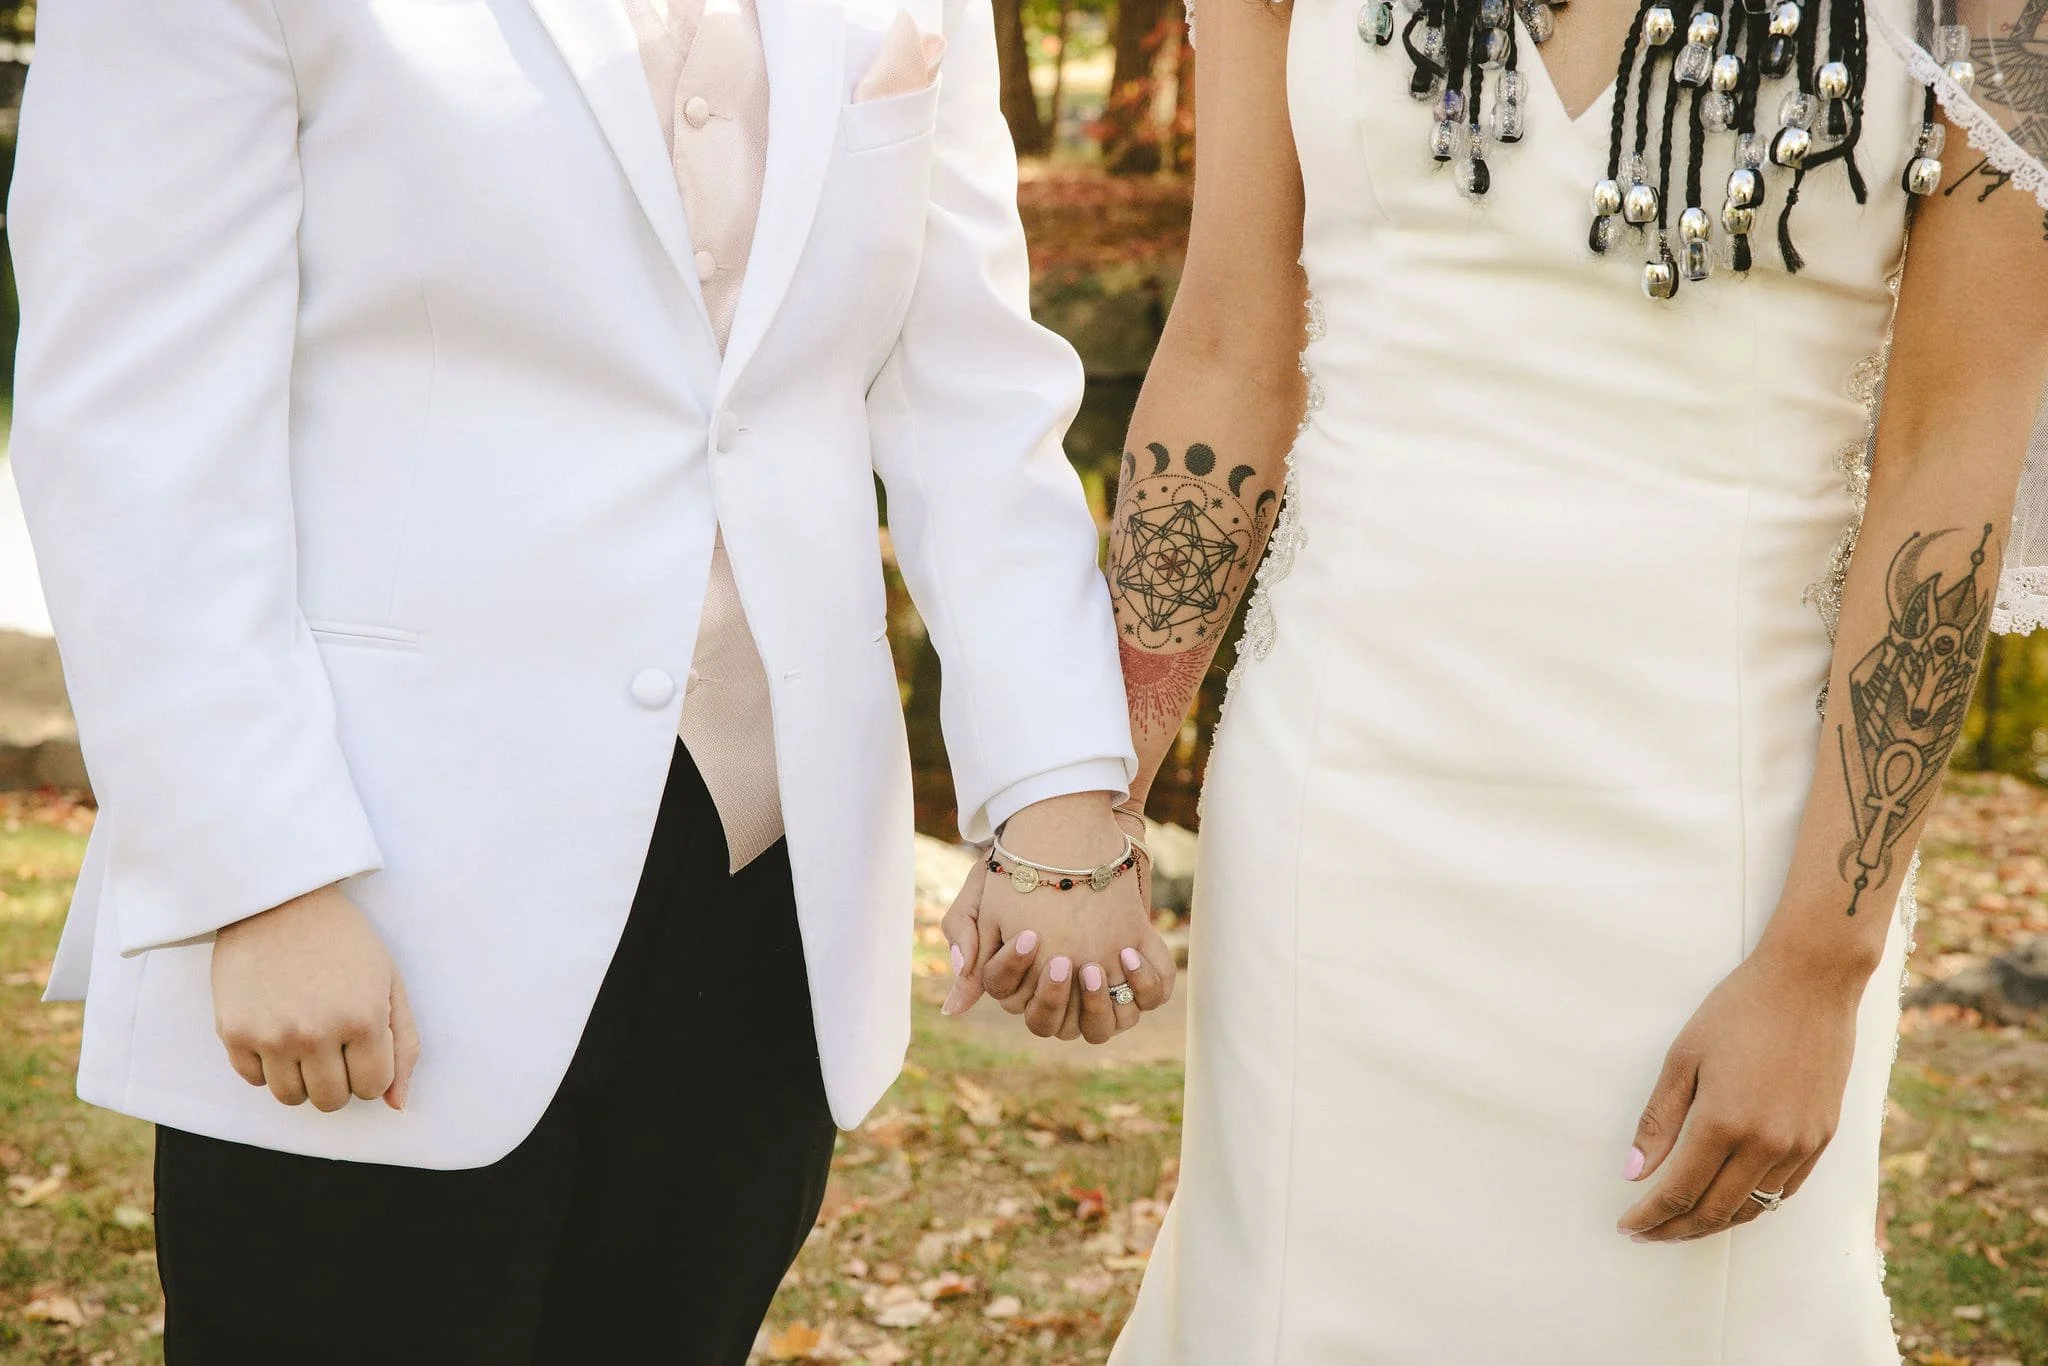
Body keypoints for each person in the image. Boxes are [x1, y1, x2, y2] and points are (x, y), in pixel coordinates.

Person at [8, 0, 1174, 1360]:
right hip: (372, 886)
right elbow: (135, 413)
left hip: (763, 886)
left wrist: (1054, 785)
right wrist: (255, 871)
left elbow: (969, 380)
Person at [944, 0, 2048, 1358]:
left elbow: (1951, 457)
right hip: (1341, 822)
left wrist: (1824, 960)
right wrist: (1086, 794)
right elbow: (1233, 345)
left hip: (1727, 848)